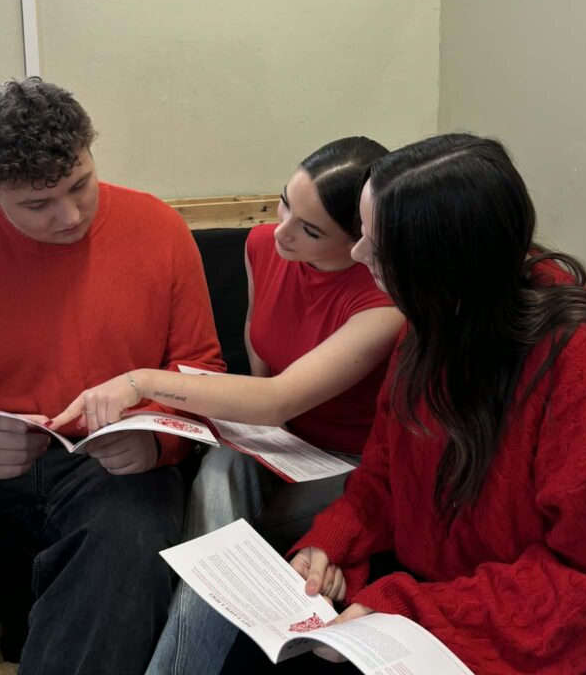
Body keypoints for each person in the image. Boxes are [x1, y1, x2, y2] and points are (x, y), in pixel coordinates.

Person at [222, 133, 586, 674]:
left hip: (533, 630)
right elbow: (384, 477)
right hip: (442, 592)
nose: (357, 254)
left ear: (441, 264)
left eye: (376, 246)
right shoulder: (434, 322)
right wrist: (331, 543)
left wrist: (409, 613)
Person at [0, 77, 224, 675]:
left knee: (126, 552)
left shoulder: (159, 231)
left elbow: (202, 373)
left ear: (90, 151)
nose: (70, 215)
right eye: (37, 205)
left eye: (80, 184)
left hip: (111, 471)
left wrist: (156, 439)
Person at [53, 136, 405, 675]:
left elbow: (276, 398)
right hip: (284, 444)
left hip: (352, 463)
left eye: (310, 231)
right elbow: (261, 362)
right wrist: (250, 436)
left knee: (224, 525)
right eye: (284, 203)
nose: (282, 231)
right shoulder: (263, 246)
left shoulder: (382, 301)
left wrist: (139, 382)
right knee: (220, 472)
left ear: (361, 239)